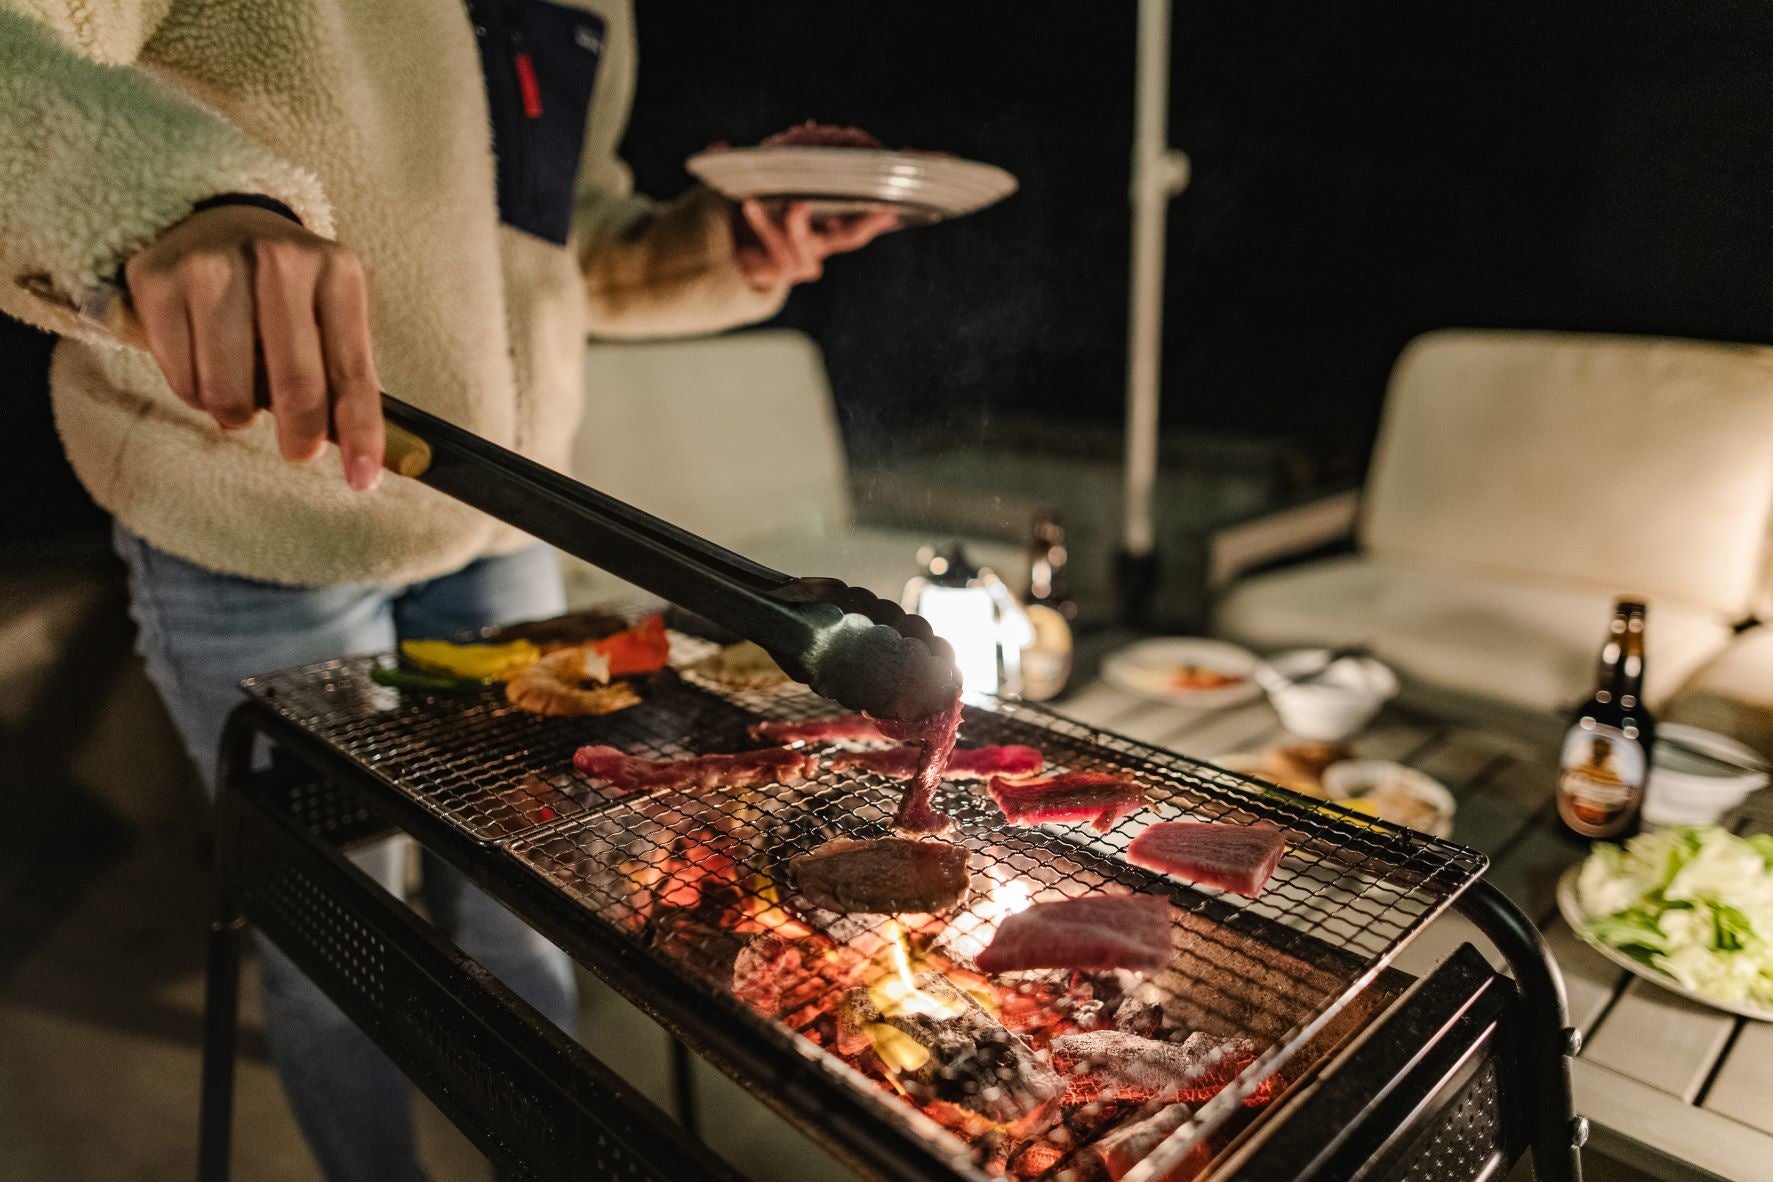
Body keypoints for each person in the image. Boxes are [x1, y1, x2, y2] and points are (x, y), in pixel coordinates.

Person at [0, 3, 893, 1179]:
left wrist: (723, 245)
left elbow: (554, 238)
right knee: (340, 936)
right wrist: (179, 199)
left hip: (499, 523)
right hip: (258, 514)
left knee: (537, 896)